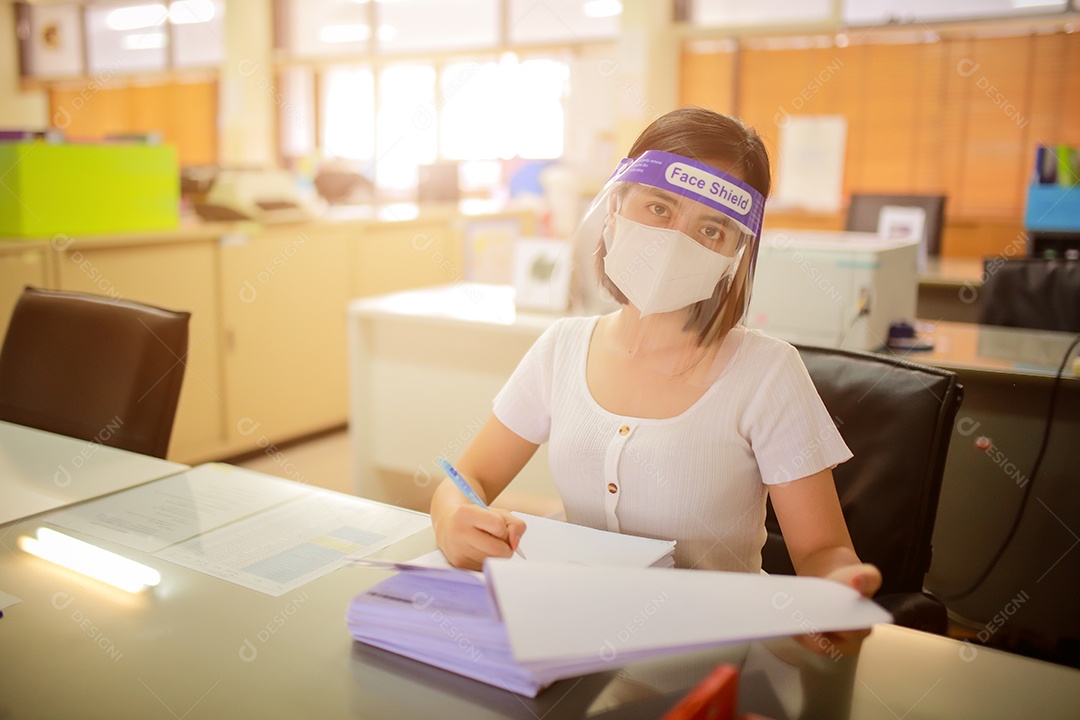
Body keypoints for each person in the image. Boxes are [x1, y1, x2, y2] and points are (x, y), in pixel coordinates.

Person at [430, 107, 881, 654]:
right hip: (577, 642)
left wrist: (836, 593)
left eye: (710, 228)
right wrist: (454, 516)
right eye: (659, 207)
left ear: (733, 253)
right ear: (616, 206)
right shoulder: (562, 347)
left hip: (716, 656)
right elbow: (468, 475)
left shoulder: (768, 373)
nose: (676, 239)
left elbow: (822, 552)